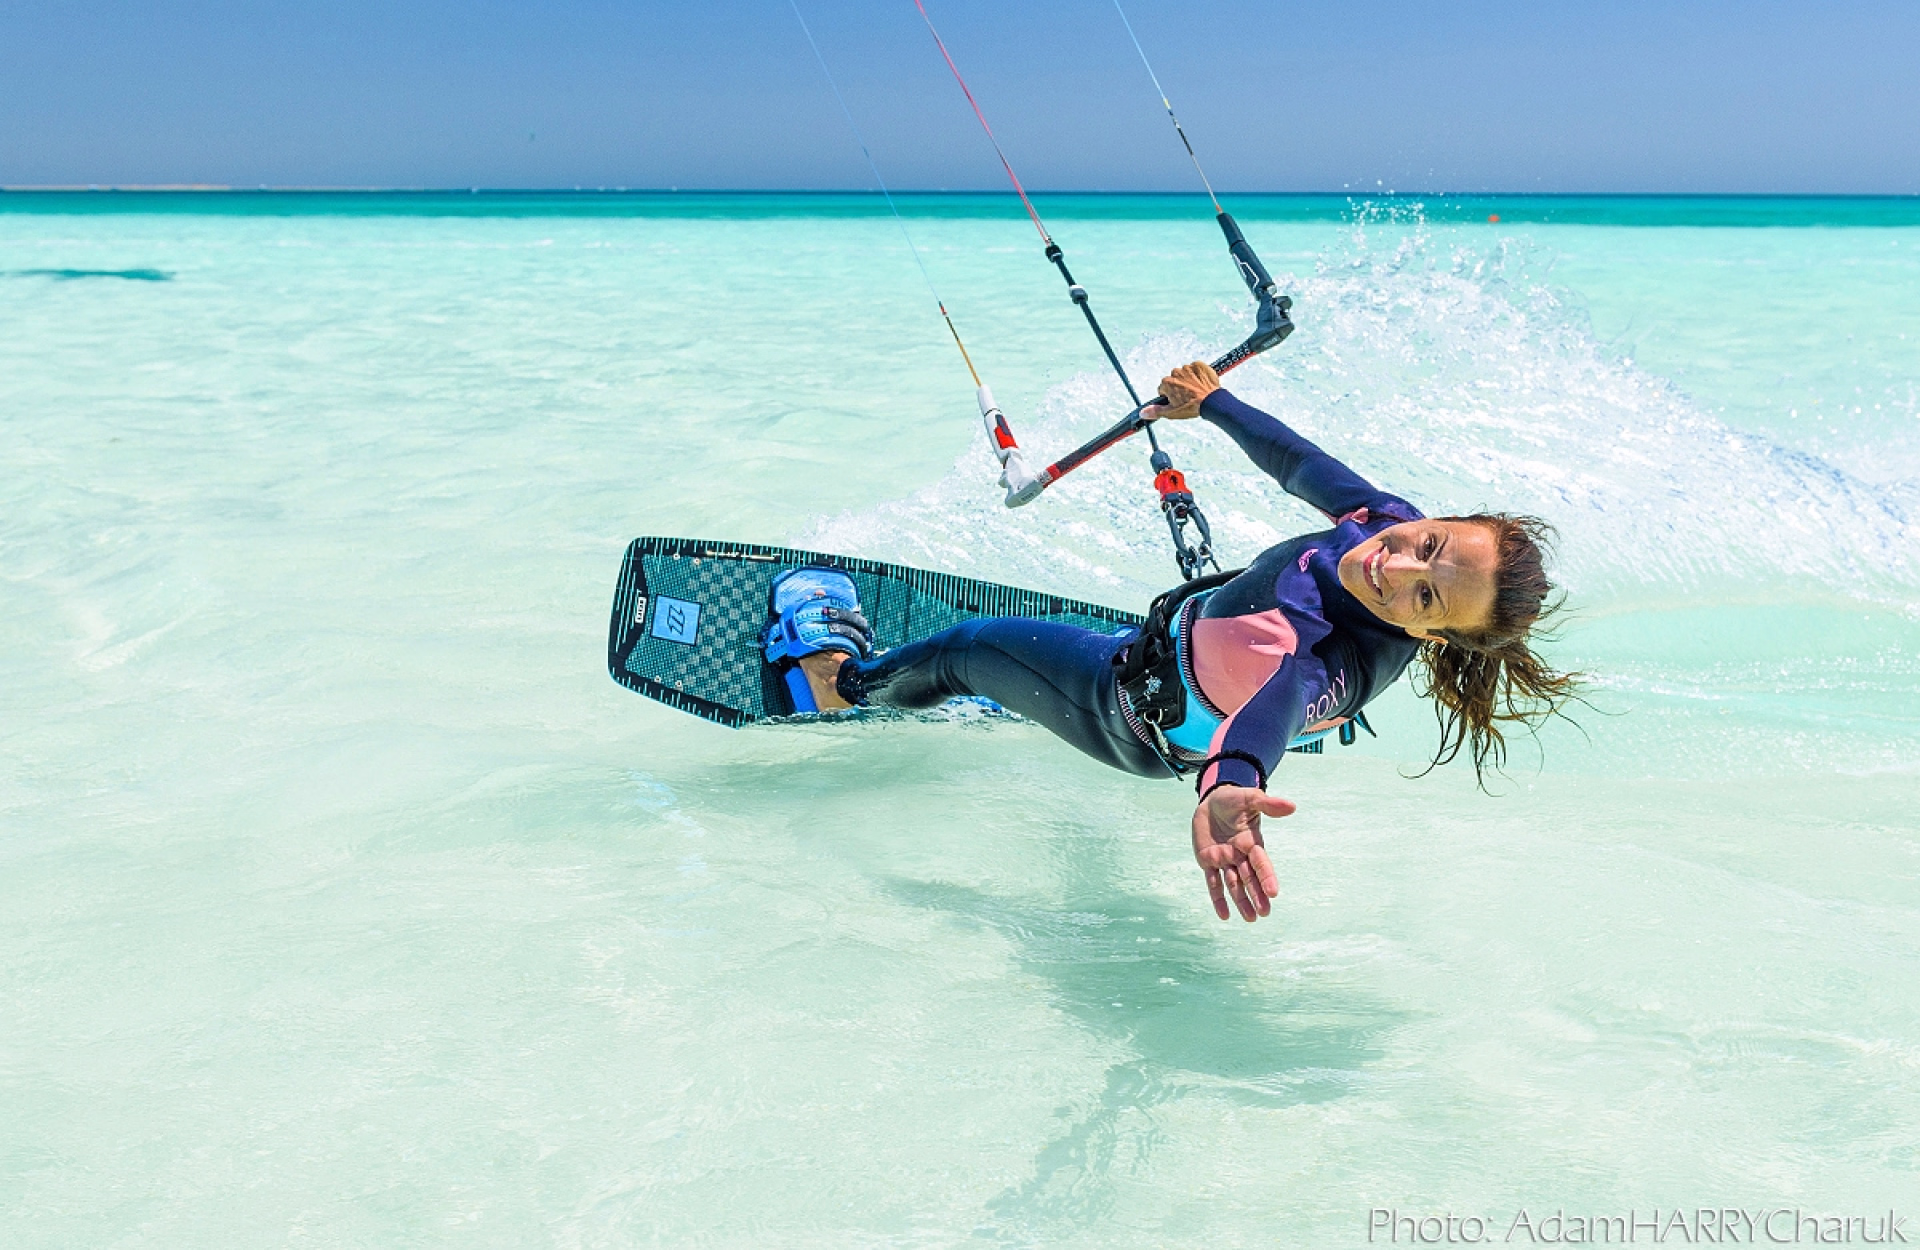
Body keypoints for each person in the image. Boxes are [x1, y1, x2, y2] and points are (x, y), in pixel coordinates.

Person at [764, 362, 1578, 925]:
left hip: (1124, 710)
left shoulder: (1338, 659)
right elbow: (1302, 465)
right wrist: (1213, 403)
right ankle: (990, 698)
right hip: (1161, 653)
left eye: (1426, 595)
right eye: (1429, 543)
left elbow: (1279, 702)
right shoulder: (1384, 520)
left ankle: (843, 683)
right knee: (1021, 661)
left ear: (1432, 633)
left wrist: (1231, 787)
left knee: (966, 646)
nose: (1396, 564)